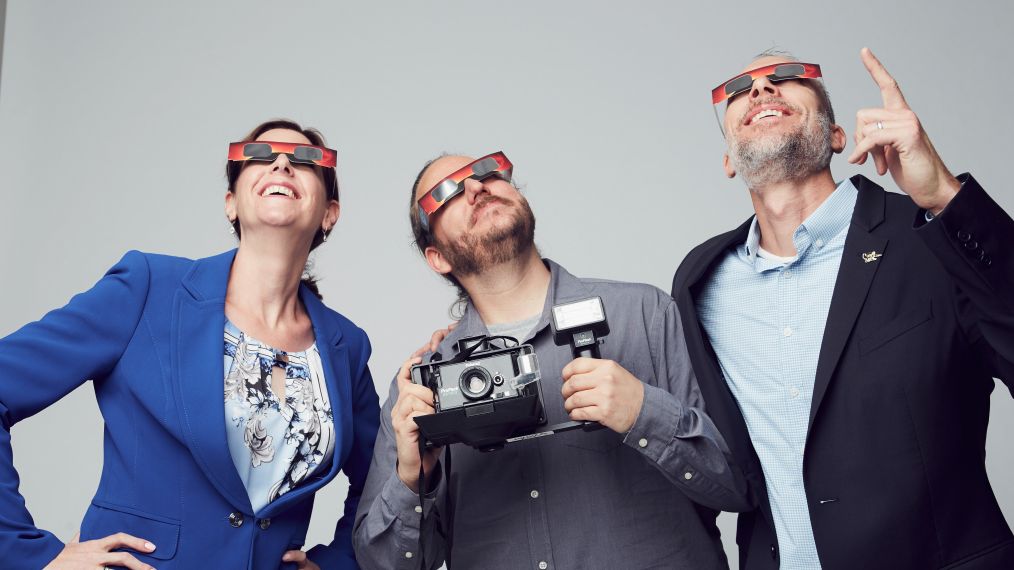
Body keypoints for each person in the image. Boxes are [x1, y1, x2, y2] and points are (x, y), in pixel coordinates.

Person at [671, 48, 1014, 568]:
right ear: (728, 160)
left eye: (786, 77)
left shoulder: (930, 237)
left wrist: (944, 194)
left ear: (836, 135)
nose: (761, 90)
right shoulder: (701, 283)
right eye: (740, 88)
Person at [0, 119, 380, 569]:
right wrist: (31, 556)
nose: (281, 162)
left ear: (330, 213)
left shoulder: (346, 346)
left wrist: (337, 564)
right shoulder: (148, 289)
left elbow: (382, 482)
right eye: (259, 155)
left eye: (306, 160)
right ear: (231, 204)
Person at [353, 151, 750, 569]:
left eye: (486, 171)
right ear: (438, 258)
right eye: (446, 193)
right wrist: (412, 477)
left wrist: (643, 412)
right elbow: (385, 565)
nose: (475, 187)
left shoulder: (646, 315)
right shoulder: (421, 393)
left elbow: (738, 484)